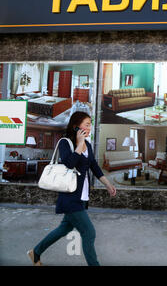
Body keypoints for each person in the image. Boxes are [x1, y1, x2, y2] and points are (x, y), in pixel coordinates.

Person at [27, 112, 116, 266]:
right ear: (76, 126)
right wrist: (79, 145)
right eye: (87, 124)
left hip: (81, 197)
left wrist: (108, 184)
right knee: (89, 232)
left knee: (63, 229)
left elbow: (94, 167)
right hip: (70, 198)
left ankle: (35, 253)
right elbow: (69, 163)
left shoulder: (87, 145)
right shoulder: (65, 142)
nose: (89, 128)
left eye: (90, 124)